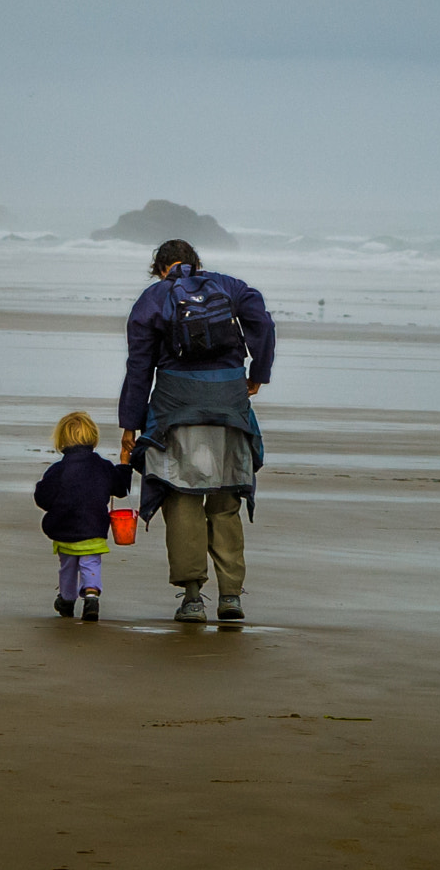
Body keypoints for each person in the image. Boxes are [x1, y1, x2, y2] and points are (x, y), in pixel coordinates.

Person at [118, 239, 275, 623]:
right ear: (197, 263)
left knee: (181, 495)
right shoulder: (230, 286)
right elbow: (263, 322)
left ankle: (191, 599)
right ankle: (231, 597)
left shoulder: (153, 298)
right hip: (230, 403)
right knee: (225, 499)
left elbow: (139, 367)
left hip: (175, 407)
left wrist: (129, 425)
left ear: (159, 269)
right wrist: (259, 373)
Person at [33, 411, 133, 622]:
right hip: (94, 527)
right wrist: (124, 464)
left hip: (64, 528)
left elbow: (42, 498)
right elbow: (121, 488)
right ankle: (91, 595)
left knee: (68, 565)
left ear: (61, 440)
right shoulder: (103, 467)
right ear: (92, 438)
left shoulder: (58, 470)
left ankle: (67, 599)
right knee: (90, 562)